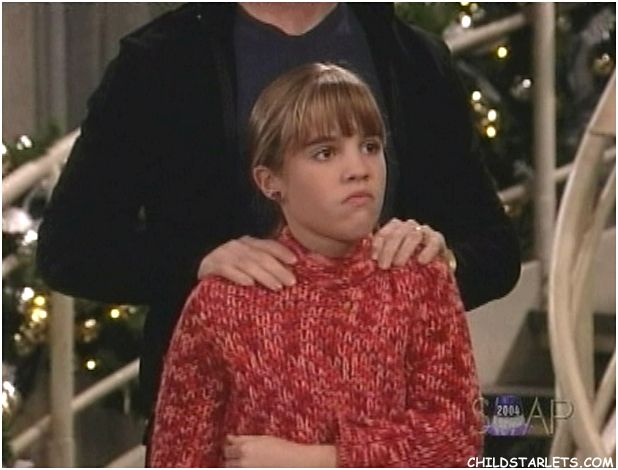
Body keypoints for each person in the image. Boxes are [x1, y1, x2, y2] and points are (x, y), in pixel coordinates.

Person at [36, 3, 521, 419]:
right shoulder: (161, 62)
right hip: (218, 423)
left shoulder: (409, 57)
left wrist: (435, 266)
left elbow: (495, 249)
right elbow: (70, 248)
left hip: (387, 426)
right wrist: (197, 261)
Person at [149, 63, 483, 467]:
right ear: (270, 181)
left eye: (370, 146)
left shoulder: (419, 277)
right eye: (325, 153)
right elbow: (177, 457)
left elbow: (457, 441)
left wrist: (322, 460)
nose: (358, 170)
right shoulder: (223, 304)